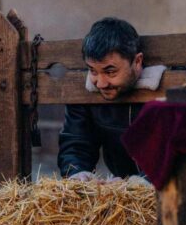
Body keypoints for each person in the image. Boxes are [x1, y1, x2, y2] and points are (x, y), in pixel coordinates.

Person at [58, 17, 161, 182]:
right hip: (121, 192)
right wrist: (77, 173)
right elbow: (76, 142)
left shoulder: (169, 95)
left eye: (110, 71)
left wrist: (142, 182)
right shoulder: (85, 95)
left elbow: (176, 152)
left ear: (137, 61)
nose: (101, 83)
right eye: (92, 71)